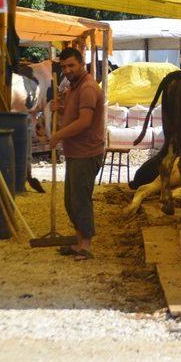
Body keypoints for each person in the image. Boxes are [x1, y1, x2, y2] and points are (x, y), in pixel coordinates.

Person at [50, 48, 105, 260]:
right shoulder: (74, 87)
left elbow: (84, 121)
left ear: (82, 64)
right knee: (71, 200)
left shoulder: (88, 87)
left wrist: (58, 135)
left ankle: (86, 246)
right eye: (64, 66)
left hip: (87, 152)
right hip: (76, 151)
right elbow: (76, 113)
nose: (67, 70)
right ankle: (78, 242)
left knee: (80, 199)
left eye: (71, 65)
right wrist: (62, 108)